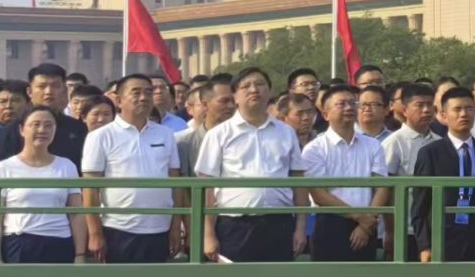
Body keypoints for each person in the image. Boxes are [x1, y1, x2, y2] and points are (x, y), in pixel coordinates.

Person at [192, 68, 304, 263]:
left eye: (260, 84)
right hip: (235, 226)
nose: (254, 90)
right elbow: (206, 186)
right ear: (235, 96)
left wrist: (300, 228)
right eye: (246, 86)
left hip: (279, 223)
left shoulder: (286, 132)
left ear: (269, 91)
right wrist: (208, 234)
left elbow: (298, 180)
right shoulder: (219, 134)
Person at [79, 74, 186, 265]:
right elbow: (90, 188)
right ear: (119, 100)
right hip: (118, 228)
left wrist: (176, 225)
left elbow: (175, 182)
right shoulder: (101, 136)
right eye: (136, 93)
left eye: (148, 92)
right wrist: (95, 233)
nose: (143, 98)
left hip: (160, 227)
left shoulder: (166, 134)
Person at [408, 87, 475, 262]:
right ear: (444, 115)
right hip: (442, 238)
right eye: (457, 109)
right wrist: (424, 246)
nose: (464, 114)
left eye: (469, 108)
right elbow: (420, 204)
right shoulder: (430, 153)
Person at [298, 95, 390, 262]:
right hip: (330, 223)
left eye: (353, 103)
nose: (349, 108)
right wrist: (360, 217)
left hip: (368, 223)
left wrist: (366, 224)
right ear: (325, 114)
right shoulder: (314, 149)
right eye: (341, 104)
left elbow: (382, 187)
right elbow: (319, 194)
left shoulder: (373, 145)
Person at [0, 107, 85, 264]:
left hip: (60, 241)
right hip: (20, 242)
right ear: (22, 130)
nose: (42, 130)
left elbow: (77, 213)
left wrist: (80, 254)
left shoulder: (67, 166)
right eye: (36, 124)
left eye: (48, 125)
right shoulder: (4, 168)